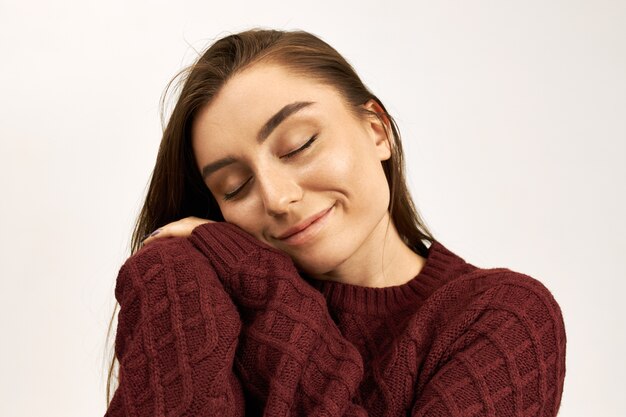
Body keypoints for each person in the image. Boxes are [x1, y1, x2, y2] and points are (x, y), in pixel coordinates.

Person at [105, 29, 566, 416]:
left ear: (377, 130)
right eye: (235, 186)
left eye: (299, 144)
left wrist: (262, 282)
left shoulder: (501, 316)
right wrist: (177, 272)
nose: (278, 197)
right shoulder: (185, 285)